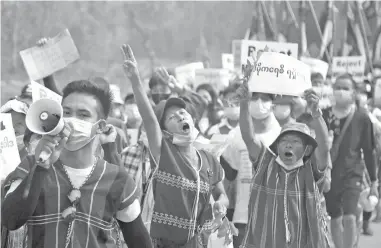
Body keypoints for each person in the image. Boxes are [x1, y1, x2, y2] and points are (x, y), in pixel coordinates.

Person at [1, 79, 152, 248]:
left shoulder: (118, 179)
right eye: (66, 112)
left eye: (83, 115)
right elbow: (10, 220)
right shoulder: (31, 165)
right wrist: (41, 168)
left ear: (100, 126)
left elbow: (140, 242)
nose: (71, 120)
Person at [121, 44, 229, 248]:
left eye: (183, 113)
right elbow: (149, 118)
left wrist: (221, 205)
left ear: (193, 119)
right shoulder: (164, 154)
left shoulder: (209, 159)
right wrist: (135, 80)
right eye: (171, 117)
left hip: (200, 243)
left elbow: (222, 195)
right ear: (166, 132)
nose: (180, 115)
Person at [238, 80, 331, 247]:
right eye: (284, 140)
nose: (288, 144)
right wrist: (244, 104)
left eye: (295, 141)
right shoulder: (265, 163)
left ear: (307, 150)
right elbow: (249, 137)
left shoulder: (311, 169)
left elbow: (324, 147)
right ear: (277, 145)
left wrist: (316, 113)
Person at [322, 73, 378, 248]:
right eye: (337, 87)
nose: (340, 91)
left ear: (353, 93)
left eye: (345, 88)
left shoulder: (362, 118)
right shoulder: (323, 116)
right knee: (336, 218)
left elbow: (369, 151)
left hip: (352, 174)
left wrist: (374, 181)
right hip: (329, 175)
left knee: (350, 216)